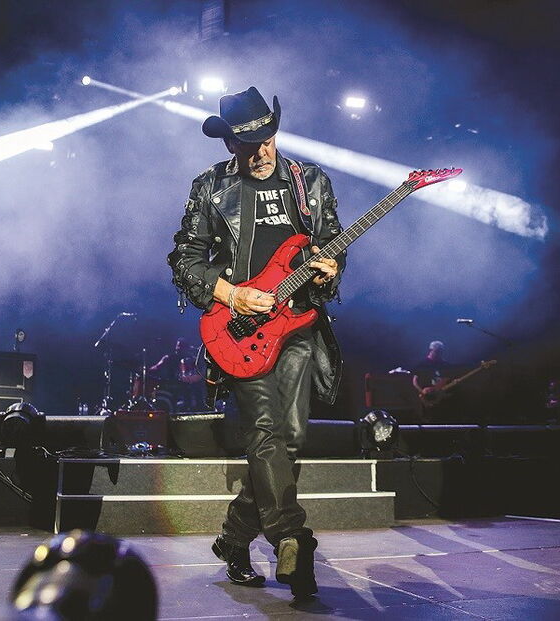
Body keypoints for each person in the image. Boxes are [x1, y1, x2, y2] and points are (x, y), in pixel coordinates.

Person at [167, 86, 344, 598]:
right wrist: (232, 294)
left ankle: (233, 537)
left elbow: (331, 250)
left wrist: (329, 272)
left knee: (289, 441)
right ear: (229, 146)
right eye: (250, 144)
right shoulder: (210, 188)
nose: (262, 151)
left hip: (298, 324)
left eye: (268, 138)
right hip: (239, 329)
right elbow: (185, 261)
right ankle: (292, 537)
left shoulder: (309, 182)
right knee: (265, 433)